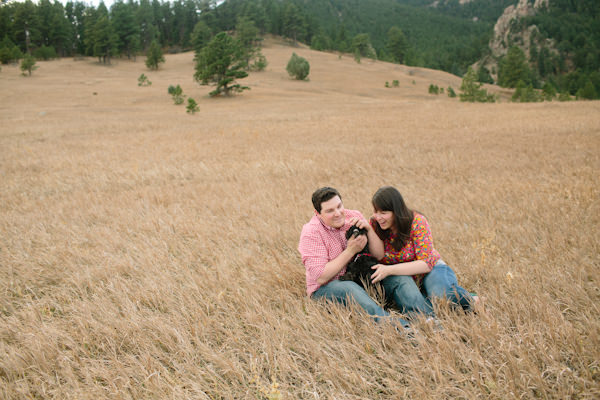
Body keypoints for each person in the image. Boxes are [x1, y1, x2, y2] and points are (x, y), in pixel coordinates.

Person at [298, 187, 411, 328]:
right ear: (318, 214)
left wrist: (369, 230)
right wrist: (351, 250)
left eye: (339, 207)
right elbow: (321, 276)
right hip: (328, 287)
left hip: (362, 277)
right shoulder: (311, 232)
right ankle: (402, 329)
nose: (338, 213)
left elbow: (379, 255)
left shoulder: (354, 216)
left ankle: (426, 320)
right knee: (349, 288)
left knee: (400, 279)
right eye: (329, 211)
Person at [368, 186, 478, 318]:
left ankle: (472, 300)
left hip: (430, 271)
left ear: (396, 210)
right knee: (424, 308)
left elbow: (425, 264)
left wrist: (389, 270)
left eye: (383, 212)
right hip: (404, 279)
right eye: (376, 212)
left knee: (442, 297)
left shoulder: (417, 222)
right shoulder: (374, 225)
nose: (378, 217)